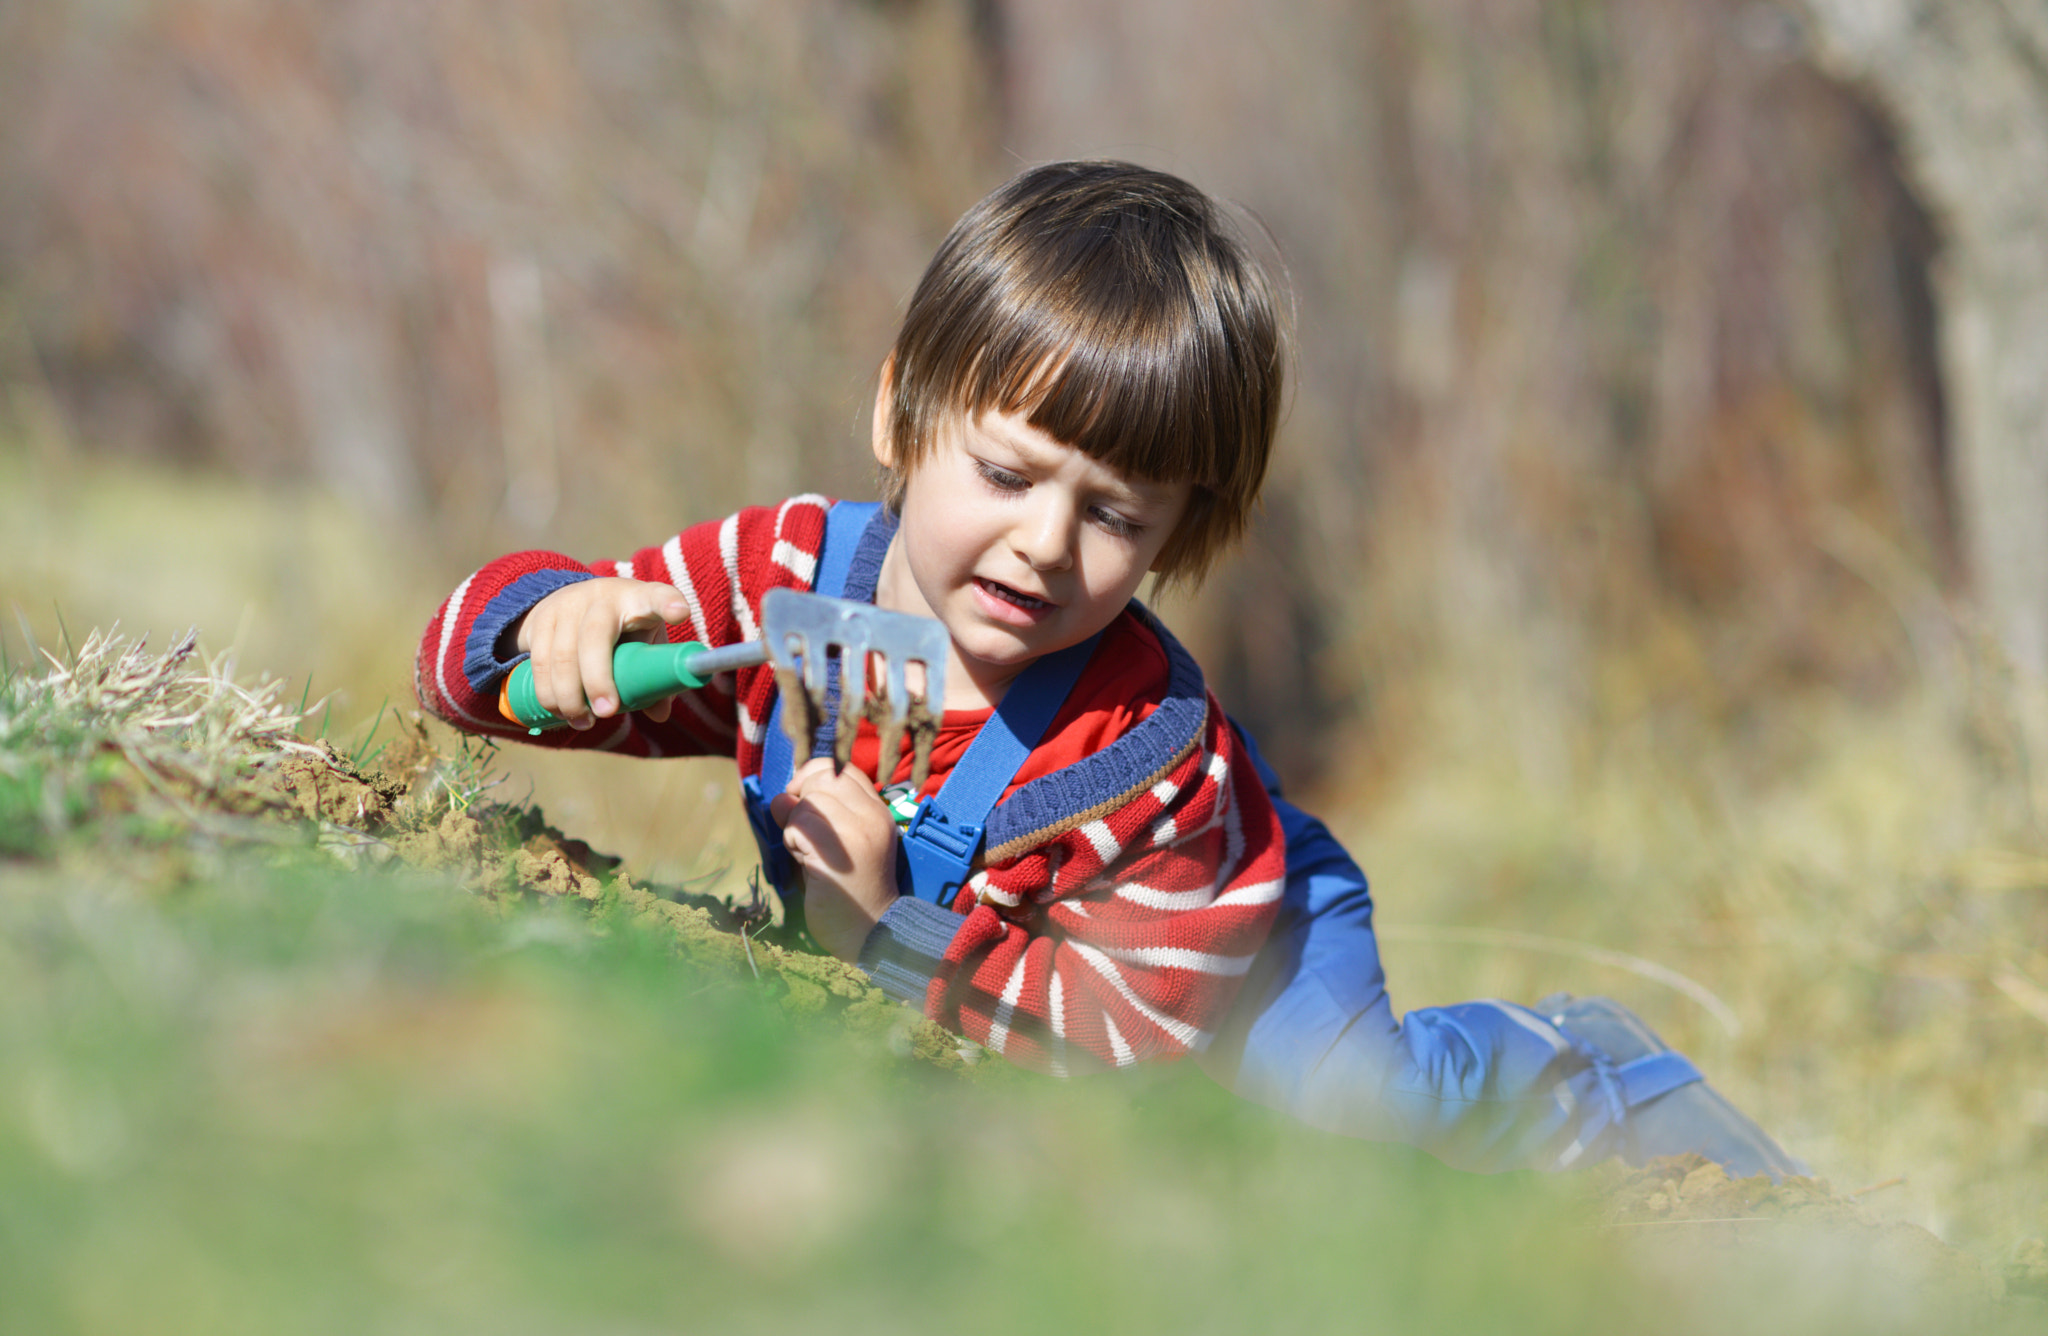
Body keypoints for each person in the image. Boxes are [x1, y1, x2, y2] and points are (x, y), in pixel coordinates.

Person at [415, 160, 1805, 1178]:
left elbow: (1131, 1033)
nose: (1043, 543)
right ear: (902, 409)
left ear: (1180, 531)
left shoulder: (1143, 747)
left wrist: (880, 932)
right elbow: (459, 671)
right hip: (986, 954)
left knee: (1360, 1133)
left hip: (1229, 938)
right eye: (1008, 472)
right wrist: (549, 623)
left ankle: (1578, 1068)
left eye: (1115, 513)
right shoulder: (786, 584)